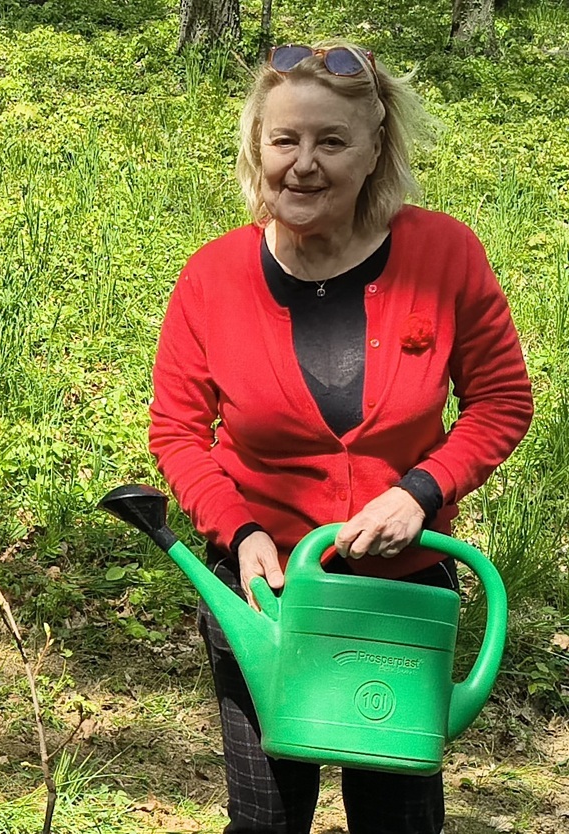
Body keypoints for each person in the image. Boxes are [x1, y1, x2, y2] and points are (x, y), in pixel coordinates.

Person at [148, 41, 533, 834]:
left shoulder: (444, 254)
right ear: (258, 144)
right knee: (265, 823)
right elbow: (179, 432)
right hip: (263, 597)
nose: (303, 165)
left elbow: (501, 401)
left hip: (400, 597)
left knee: (399, 819)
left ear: (374, 150)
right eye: (285, 140)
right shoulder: (211, 277)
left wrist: (420, 493)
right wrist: (241, 531)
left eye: (331, 142)